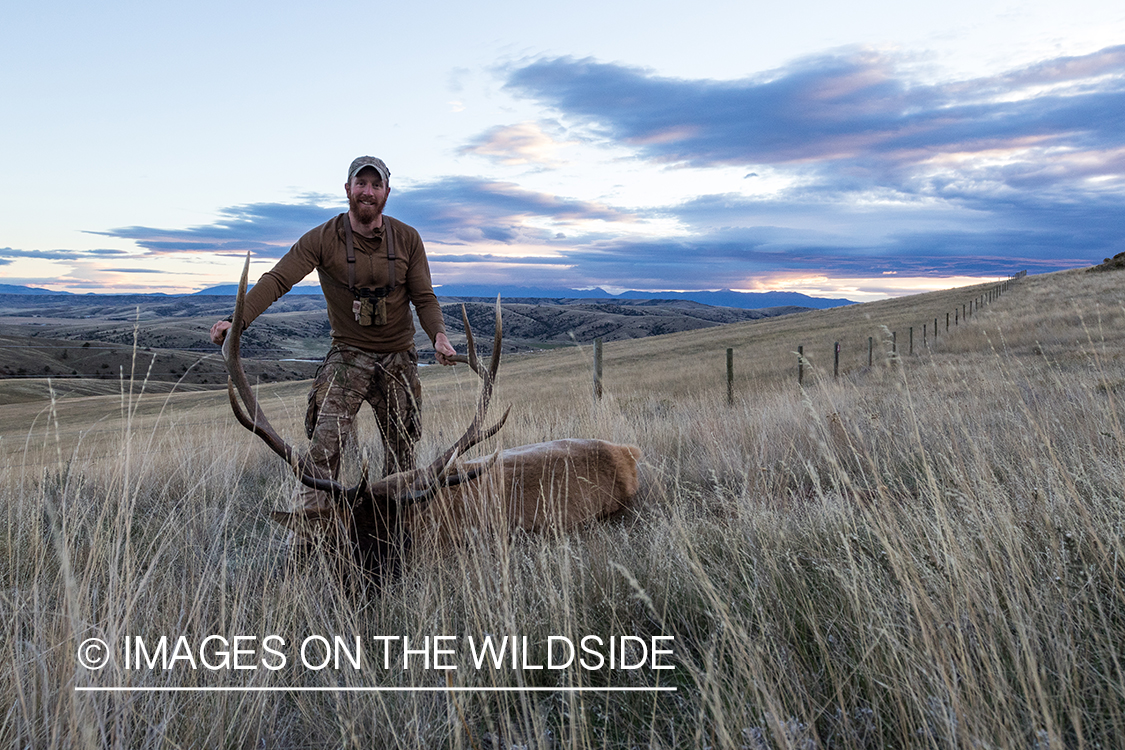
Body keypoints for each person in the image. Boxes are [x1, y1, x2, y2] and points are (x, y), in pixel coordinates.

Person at [210, 156, 457, 514]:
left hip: (399, 357)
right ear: (347, 189)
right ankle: (310, 536)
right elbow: (278, 279)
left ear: (387, 192)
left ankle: (400, 531)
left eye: (376, 185)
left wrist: (438, 335)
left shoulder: (407, 239)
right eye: (361, 184)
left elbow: (424, 297)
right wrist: (239, 320)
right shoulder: (323, 238)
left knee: (403, 455)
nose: (368, 192)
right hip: (348, 354)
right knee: (324, 449)